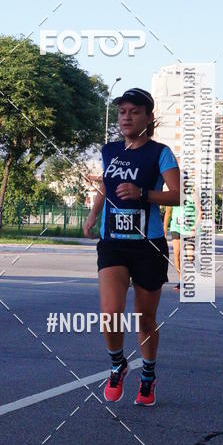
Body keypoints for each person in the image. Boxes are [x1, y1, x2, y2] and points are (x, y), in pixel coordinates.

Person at [83, 87, 180, 406]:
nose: (126, 117)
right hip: (112, 242)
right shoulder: (110, 151)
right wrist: (93, 214)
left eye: (134, 111)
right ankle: (117, 364)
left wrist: (143, 193)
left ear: (149, 118)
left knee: (145, 319)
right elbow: (105, 187)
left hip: (148, 244)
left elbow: (177, 195)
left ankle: (148, 375)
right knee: (110, 312)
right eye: (122, 111)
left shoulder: (160, 152)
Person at [164, 191, 197, 291]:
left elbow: (200, 211)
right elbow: (168, 212)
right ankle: (181, 280)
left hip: (188, 229)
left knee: (190, 256)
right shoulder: (174, 193)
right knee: (177, 254)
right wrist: (165, 227)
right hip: (176, 228)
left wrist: (195, 227)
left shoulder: (193, 192)